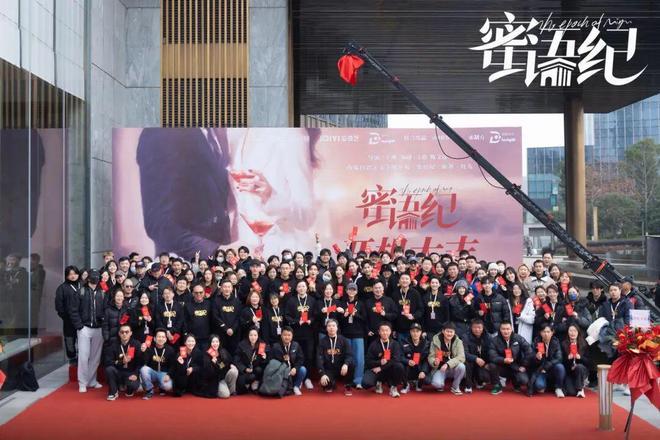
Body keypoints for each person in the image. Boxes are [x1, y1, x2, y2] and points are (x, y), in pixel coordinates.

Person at [68, 270, 106, 393]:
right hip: (84, 328)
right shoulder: (81, 291)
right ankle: (82, 382)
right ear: (88, 278)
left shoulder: (103, 293)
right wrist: (79, 326)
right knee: (83, 357)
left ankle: (92, 380)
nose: (95, 279)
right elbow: (73, 310)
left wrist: (103, 322)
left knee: (95, 357)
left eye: (97, 277)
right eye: (93, 277)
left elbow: (106, 309)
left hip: (98, 328)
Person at [284, 280, 316, 389]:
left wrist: (311, 320)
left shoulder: (312, 300)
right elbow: (287, 316)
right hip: (296, 334)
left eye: (303, 286)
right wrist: (297, 321)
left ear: (307, 288)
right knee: (296, 357)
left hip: (309, 334)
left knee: (309, 356)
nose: (301, 288)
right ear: (296, 289)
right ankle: (298, 378)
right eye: (299, 286)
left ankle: (307, 378)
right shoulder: (291, 301)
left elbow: (316, 315)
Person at [488, 321, 533, 395]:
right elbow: (492, 356)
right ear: (500, 329)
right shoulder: (494, 340)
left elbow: (529, 351)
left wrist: (524, 365)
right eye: (503, 329)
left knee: (524, 380)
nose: (506, 331)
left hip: (516, 366)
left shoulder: (518, 338)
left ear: (511, 329)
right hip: (502, 365)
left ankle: (516, 383)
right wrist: (503, 360)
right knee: (492, 365)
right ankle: (497, 386)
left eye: (508, 329)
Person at [363, 322, 406, 398]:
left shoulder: (395, 344)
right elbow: (368, 361)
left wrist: (381, 367)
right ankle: (378, 382)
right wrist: (379, 362)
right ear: (379, 332)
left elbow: (396, 359)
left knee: (399, 366)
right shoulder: (373, 344)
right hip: (376, 370)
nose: (385, 333)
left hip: (388, 369)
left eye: (387, 330)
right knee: (366, 383)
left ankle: (393, 387)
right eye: (382, 330)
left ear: (390, 331)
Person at [103, 324, 142, 400]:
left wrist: (136, 374)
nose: (124, 334)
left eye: (127, 332)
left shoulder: (136, 344)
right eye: (122, 332)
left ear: (131, 333)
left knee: (133, 386)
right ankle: (113, 392)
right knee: (109, 369)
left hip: (131, 372)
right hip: (118, 372)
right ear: (119, 333)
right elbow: (107, 361)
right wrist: (121, 361)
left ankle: (128, 388)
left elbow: (140, 362)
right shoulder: (113, 344)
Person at [339, 282, 367, 388]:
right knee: (347, 358)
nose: (351, 291)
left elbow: (365, 318)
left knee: (359, 359)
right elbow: (339, 320)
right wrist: (345, 315)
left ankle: (358, 380)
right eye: (350, 289)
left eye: (353, 289)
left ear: (356, 291)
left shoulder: (361, 304)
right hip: (345, 334)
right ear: (346, 291)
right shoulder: (342, 303)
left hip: (358, 334)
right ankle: (348, 380)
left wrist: (356, 314)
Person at [316, 319, 355, 395]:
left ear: (337, 328)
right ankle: (331, 383)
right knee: (326, 385)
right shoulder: (322, 341)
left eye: (333, 326)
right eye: (329, 326)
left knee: (351, 364)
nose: (331, 328)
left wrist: (346, 364)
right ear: (326, 328)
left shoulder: (343, 340)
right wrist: (322, 374)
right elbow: (319, 358)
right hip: (329, 368)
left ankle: (348, 386)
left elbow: (349, 354)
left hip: (341, 368)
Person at [195, 334, 238, 398]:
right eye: (213, 342)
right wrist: (213, 363)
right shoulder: (207, 354)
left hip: (224, 375)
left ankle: (232, 391)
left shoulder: (223, 351)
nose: (215, 344)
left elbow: (228, 362)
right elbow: (207, 372)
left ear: (219, 342)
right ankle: (224, 389)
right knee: (225, 395)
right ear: (210, 343)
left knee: (234, 371)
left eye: (217, 342)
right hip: (215, 379)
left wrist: (231, 364)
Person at [528, 324, 565, 398]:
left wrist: (548, 365)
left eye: (548, 332)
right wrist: (536, 357)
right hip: (540, 370)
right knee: (539, 386)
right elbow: (530, 357)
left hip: (551, 368)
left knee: (560, 367)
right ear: (540, 333)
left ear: (552, 333)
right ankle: (548, 386)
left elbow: (559, 358)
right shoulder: (536, 341)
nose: (546, 334)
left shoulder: (556, 342)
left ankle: (558, 388)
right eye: (544, 332)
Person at [428, 322, 466, 395]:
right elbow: (431, 356)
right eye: (447, 331)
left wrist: (448, 364)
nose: (449, 334)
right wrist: (434, 362)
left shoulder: (458, 341)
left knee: (462, 366)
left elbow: (461, 357)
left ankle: (455, 387)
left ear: (454, 332)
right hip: (440, 369)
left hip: (453, 368)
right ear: (443, 331)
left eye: (451, 332)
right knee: (437, 384)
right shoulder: (435, 341)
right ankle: (441, 384)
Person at [55, 265, 81, 364]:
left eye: (75, 273)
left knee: (83, 340)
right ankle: (72, 357)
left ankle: (82, 357)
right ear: (66, 276)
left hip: (82, 319)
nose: (73, 276)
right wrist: (66, 317)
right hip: (69, 320)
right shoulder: (62, 288)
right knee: (70, 339)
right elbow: (59, 306)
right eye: (70, 274)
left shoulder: (82, 286)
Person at [140, 328, 175, 399]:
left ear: (166, 339)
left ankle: (160, 386)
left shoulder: (170, 350)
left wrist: (169, 375)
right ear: (155, 339)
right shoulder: (150, 348)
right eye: (159, 337)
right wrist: (143, 352)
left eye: (163, 337)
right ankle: (149, 390)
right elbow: (144, 362)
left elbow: (173, 365)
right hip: (152, 372)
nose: (161, 339)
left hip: (163, 373)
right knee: (143, 369)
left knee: (168, 386)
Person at [271, 326, 307, 395]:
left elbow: (300, 359)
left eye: (289, 335)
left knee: (303, 370)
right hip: (282, 372)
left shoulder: (296, 345)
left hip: (293, 371)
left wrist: (295, 368)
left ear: (292, 336)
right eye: (285, 335)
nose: (287, 337)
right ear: (281, 335)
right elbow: (273, 362)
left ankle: (296, 386)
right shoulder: (275, 346)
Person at [234, 327, 269, 394]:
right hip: (245, 370)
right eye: (251, 335)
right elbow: (236, 359)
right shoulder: (242, 345)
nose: (253, 337)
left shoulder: (261, 344)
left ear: (258, 336)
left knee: (259, 370)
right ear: (248, 335)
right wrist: (245, 369)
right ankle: (247, 384)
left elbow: (263, 362)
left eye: (255, 335)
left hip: (255, 369)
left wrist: (264, 358)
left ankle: (255, 382)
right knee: (241, 388)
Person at [463, 319, 493, 393]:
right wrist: (475, 358)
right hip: (471, 361)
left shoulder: (488, 337)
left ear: (483, 328)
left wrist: (487, 363)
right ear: (471, 327)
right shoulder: (465, 336)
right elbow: (464, 353)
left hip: (483, 362)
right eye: (475, 327)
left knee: (486, 377)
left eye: (479, 327)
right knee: (467, 362)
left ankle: (479, 381)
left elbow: (491, 352)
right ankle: (468, 385)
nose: (477, 330)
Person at [213, 279, 242, 353]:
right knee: (222, 353)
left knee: (234, 353)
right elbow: (215, 316)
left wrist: (233, 329)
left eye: (229, 287)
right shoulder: (216, 301)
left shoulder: (237, 301)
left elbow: (239, 317)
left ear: (232, 288)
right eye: (225, 287)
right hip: (221, 333)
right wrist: (225, 328)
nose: (227, 289)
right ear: (221, 288)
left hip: (234, 333)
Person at [365, 281, 398, 345]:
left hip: (386, 333)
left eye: (379, 288)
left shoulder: (389, 300)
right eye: (376, 288)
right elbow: (365, 318)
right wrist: (367, 330)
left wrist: (385, 314)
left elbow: (395, 315)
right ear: (372, 289)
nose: (378, 290)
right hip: (372, 334)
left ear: (383, 289)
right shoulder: (368, 302)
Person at [401, 322, 430, 393]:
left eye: (417, 331)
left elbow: (426, 360)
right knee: (400, 366)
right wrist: (407, 361)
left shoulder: (426, 344)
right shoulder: (404, 342)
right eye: (413, 331)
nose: (415, 333)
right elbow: (400, 356)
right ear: (410, 332)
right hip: (408, 367)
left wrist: (424, 371)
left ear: (421, 332)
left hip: (420, 367)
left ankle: (418, 383)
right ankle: (406, 385)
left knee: (428, 381)